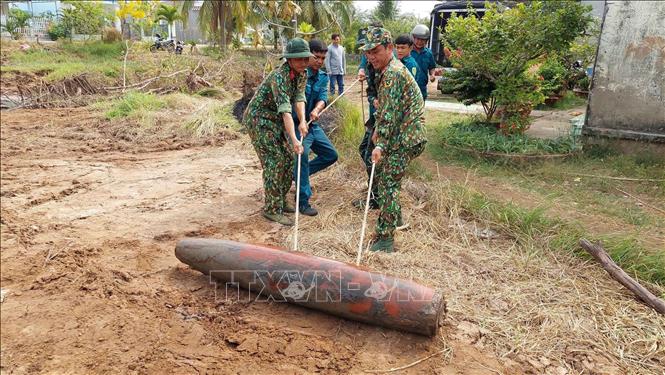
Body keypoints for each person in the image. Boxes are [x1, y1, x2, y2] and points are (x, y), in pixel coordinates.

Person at [361, 28, 427, 253]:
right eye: (367, 52)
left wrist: (379, 143)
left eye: (375, 51)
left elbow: (389, 114)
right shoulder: (386, 69)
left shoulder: (393, 74)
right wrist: (378, 131)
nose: (371, 56)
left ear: (389, 48)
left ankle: (385, 239)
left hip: (407, 137)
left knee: (388, 183)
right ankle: (395, 217)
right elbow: (387, 110)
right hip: (400, 133)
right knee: (382, 177)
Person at [242, 38, 311, 226]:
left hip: (276, 120)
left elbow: (298, 98)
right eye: (299, 59)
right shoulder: (279, 77)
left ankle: (280, 200)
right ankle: (272, 209)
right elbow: (285, 110)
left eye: (306, 58)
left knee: (288, 158)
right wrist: (295, 139)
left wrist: (303, 121)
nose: (304, 62)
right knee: (274, 161)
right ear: (289, 59)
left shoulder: (302, 74)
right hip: (259, 119)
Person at [291, 39, 339, 216]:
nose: (319, 61)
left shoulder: (323, 76)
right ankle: (302, 201)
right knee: (302, 154)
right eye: (316, 57)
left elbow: (323, 97)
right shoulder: (298, 74)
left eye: (323, 58)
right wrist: (302, 119)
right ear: (308, 55)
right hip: (296, 124)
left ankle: (297, 175)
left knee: (330, 155)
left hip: (313, 124)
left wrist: (318, 109)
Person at [410, 24, 437, 100]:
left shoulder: (428, 53)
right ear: (413, 38)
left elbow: (432, 67)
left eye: (422, 40)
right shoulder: (408, 52)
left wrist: (432, 75)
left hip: (422, 89)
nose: (419, 42)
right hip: (408, 88)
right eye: (417, 39)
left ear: (426, 40)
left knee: (420, 111)